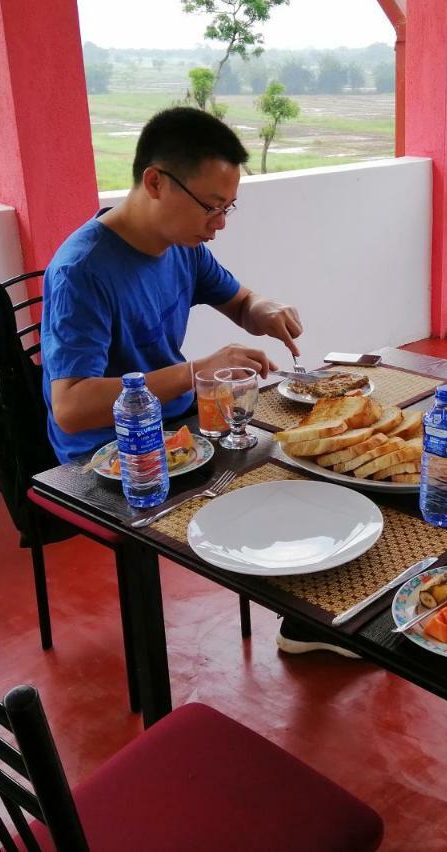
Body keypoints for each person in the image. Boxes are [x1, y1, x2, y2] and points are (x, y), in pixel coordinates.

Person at [40, 106, 355, 658]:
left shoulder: (181, 246)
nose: (220, 222)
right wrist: (194, 372)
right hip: (113, 454)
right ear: (155, 182)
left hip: (184, 426)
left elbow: (236, 297)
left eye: (227, 207)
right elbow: (69, 407)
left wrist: (264, 308)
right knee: (276, 479)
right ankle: (310, 618)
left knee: (317, 453)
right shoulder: (81, 271)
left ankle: (311, 620)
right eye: (212, 206)